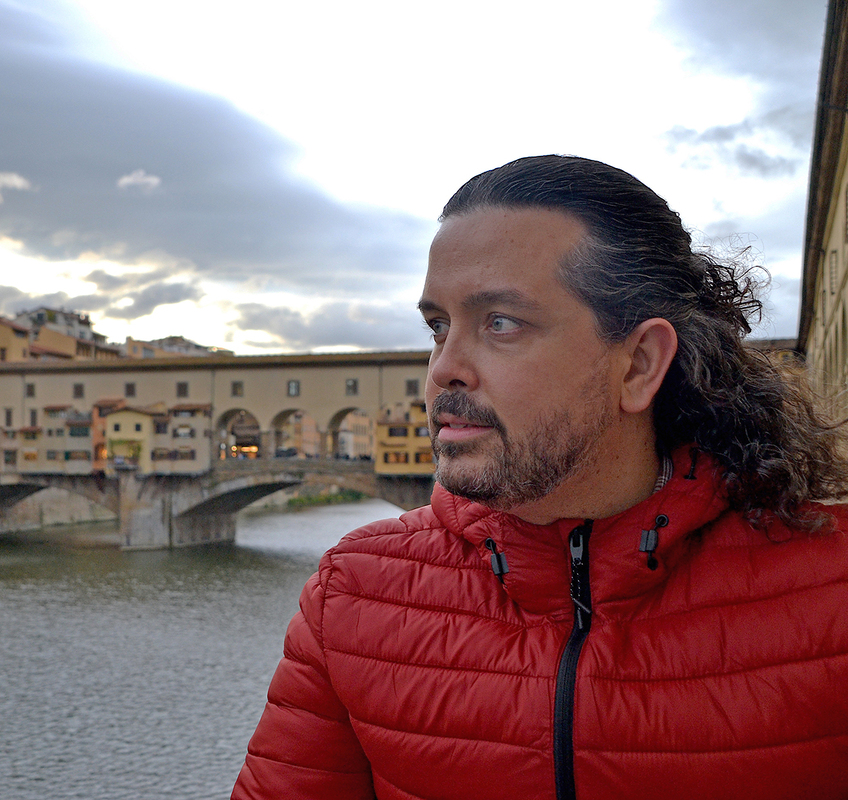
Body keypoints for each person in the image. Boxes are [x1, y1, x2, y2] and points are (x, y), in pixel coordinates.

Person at [231, 155, 848, 800]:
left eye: (501, 323)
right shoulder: (351, 594)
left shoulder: (830, 590)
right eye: (438, 327)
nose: (444, 369)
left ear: (639, 365)